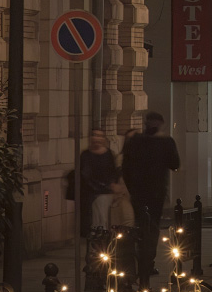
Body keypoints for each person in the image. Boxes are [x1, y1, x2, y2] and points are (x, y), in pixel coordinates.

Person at [121, 112, 181, 282]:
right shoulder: (166, 142)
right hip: (156, 192)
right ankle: (147, 267)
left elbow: (125, 168)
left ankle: (136, 266)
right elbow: (175, 164)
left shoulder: (135, 141)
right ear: (161, 124)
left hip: (138, 192)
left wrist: (132, 188)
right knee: (152, 229)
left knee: (138, 228)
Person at [77, 129, 120, 238]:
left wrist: (112, 185)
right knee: (91, 218)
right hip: (90, 191)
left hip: (104, 191)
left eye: (100, 136)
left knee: (101, 216)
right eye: (94, 135)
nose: (97, 138)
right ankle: (95, 238)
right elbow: (84, 174)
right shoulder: (86, 155)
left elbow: (112, 171)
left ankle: (101, 237)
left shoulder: (108, 154)